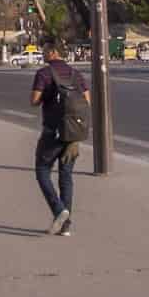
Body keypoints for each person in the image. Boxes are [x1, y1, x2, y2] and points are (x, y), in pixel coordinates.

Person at [28, 42, 88, 235]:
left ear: (53, 53)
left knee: (42, 170)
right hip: (73, 134)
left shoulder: (44, 74)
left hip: (52, 132)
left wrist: (49, 98)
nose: (43, 53)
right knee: (66, 176)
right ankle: (66, 226)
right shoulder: (76, 74)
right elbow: (86, 101)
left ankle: (58, 209)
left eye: (45, 50)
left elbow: (34, 101)